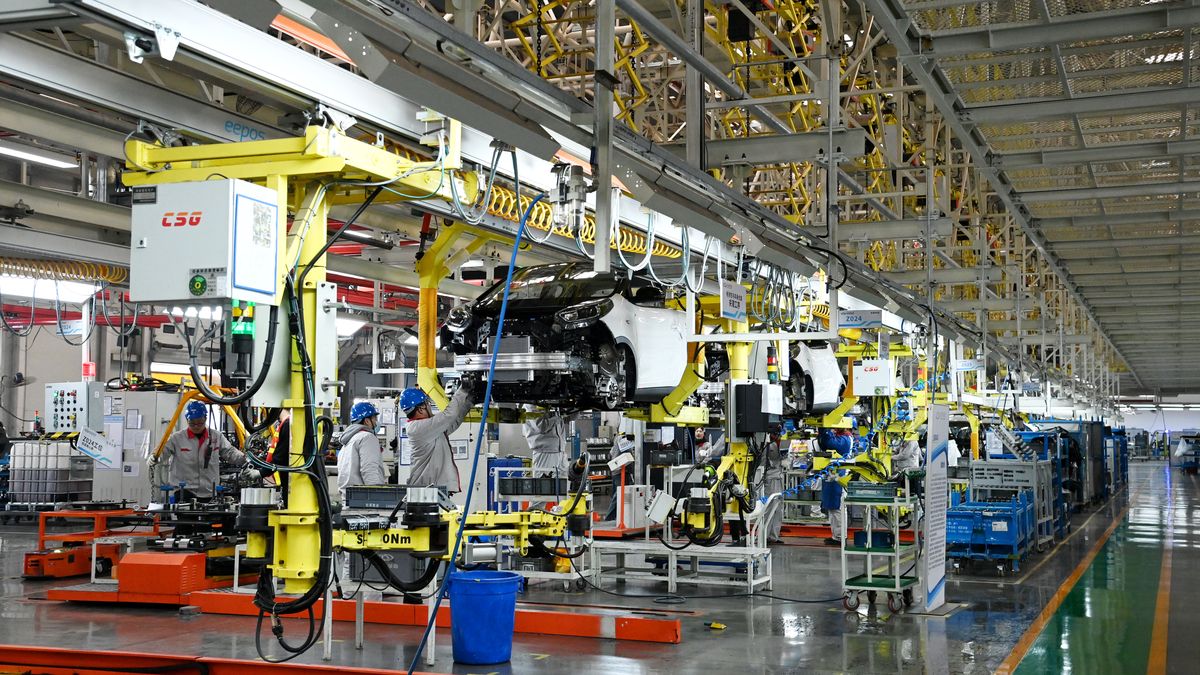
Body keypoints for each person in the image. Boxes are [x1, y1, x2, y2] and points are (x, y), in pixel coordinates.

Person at [159, 400, 249, 501]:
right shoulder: (177, 438)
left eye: (200, 423)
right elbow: (161, 452)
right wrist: (154, 457)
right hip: (185, 491)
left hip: (209, 491)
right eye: (192, 424)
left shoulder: (216, 436)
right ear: (187, 420)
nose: (196, 426)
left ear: (205, 418)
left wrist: (245, 459)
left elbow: (230, 452)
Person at [402, 381, 476, 494]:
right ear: (420, 409)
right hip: (424, 490)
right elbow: (449, 415)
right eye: (427, 403)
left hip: (432, 488)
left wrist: (469, 402)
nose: (429, 406)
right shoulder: (417, 428)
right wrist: (462, 390)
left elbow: (452, 422)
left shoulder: (430, 429)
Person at [337, 402, 387, 502]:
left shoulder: (349, 440)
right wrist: (377, 497)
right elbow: (369, 469)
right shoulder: (367, 437)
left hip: (348, 497)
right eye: (374, 419)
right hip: (364, 499)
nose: (376, 423)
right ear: (367, 421)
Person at [763, 435, 787, 544]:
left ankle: (773, 536)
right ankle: (764, 536)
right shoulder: (765, 442)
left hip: (779, 476)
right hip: (770, 477)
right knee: (769, 507)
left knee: (778, 507)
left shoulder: (784, 440)